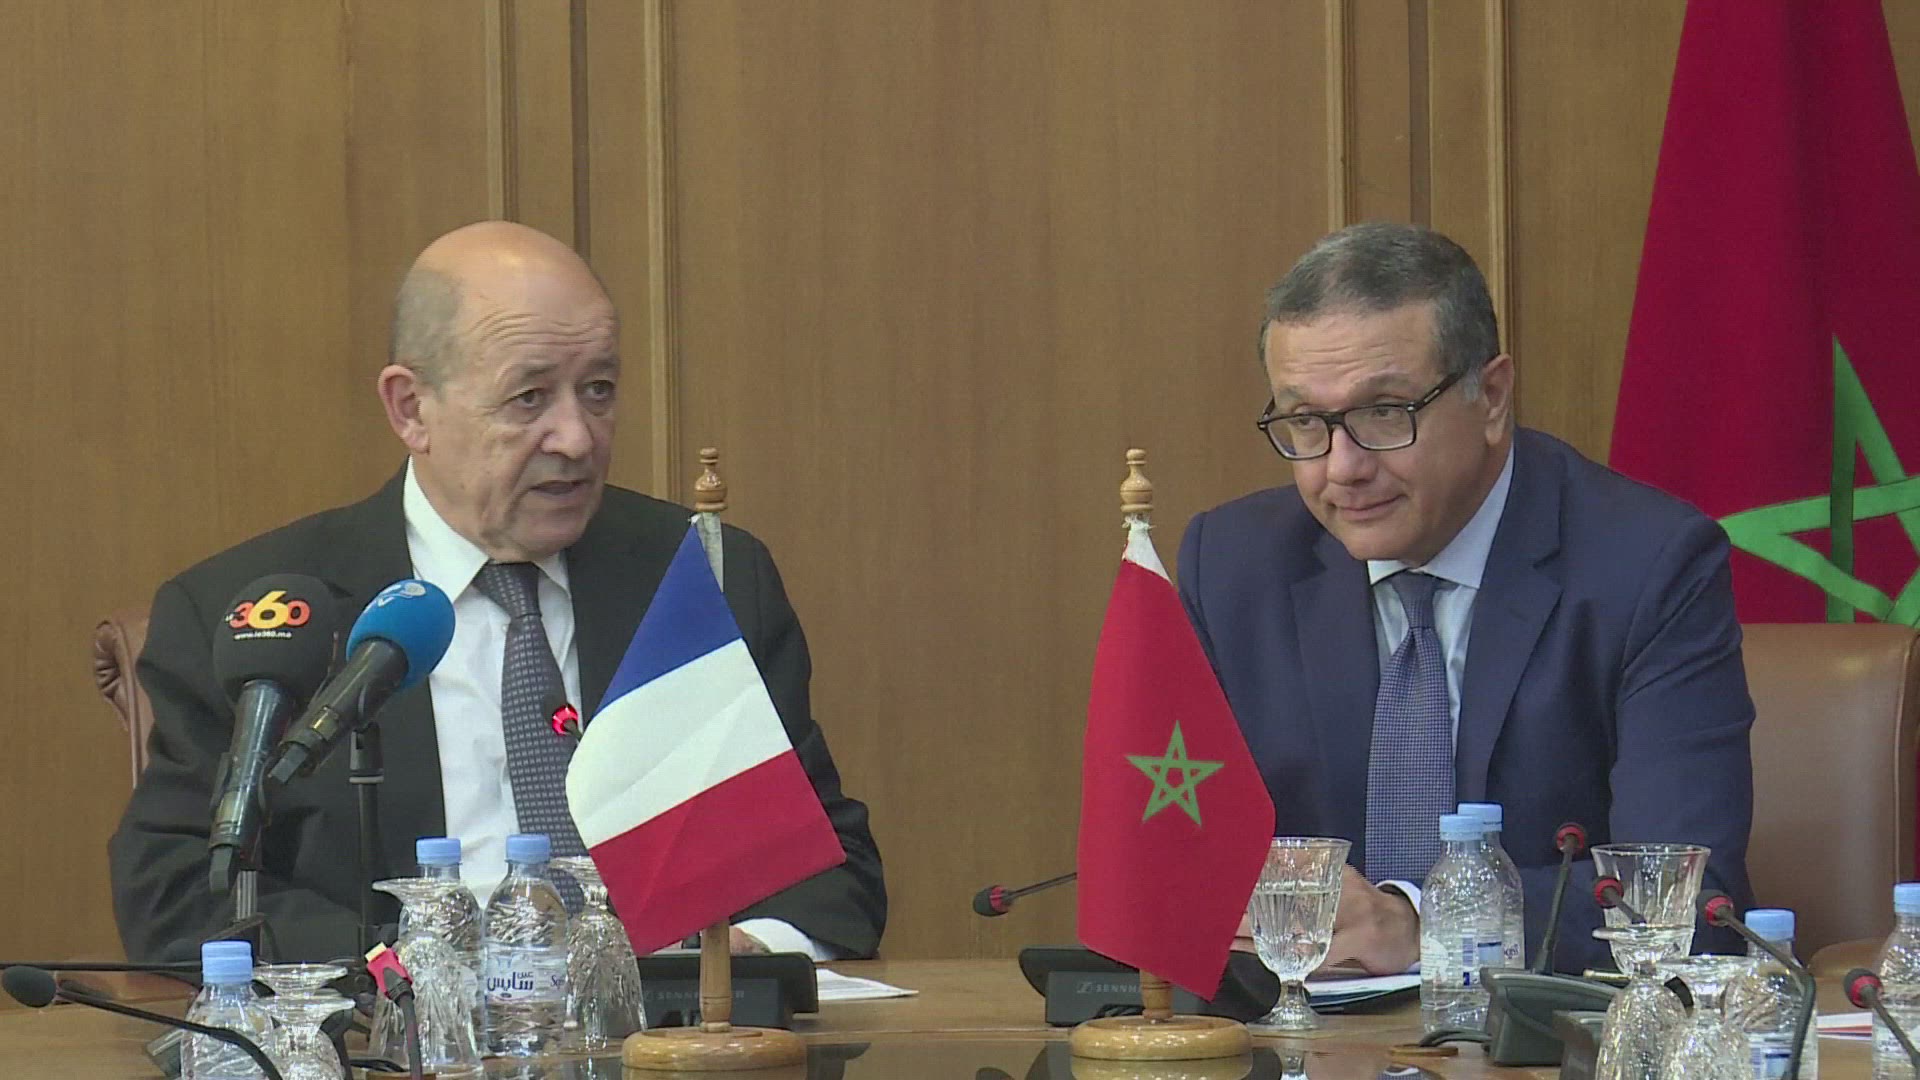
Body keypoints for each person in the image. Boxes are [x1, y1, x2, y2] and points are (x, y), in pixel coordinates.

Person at [109, 222, 885, 963]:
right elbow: (177, 889)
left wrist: (745, 958)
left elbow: (828, 866)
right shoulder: (255, 615)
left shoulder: (699, 577)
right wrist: (406, 970)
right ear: (412, 408)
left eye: (599, 390)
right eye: (529, 398)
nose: (577, 438)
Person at [1181, 222, 1753, 974]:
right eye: (1306, 422)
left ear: (1491, 396)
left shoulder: (1647, 565)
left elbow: (1685, 900)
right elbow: (1177, 864)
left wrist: (1421, 926)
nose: (1341, 467)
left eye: (1384, 412)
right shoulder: (1231, 568)